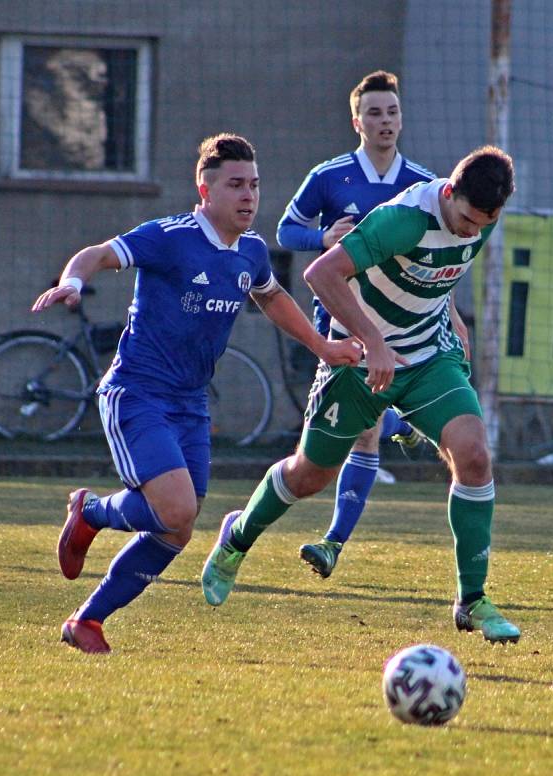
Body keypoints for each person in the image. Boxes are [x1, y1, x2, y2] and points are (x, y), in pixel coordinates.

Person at [31, 133, 360, 654]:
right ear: (204, 189)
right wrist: (73, 281)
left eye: (253, 184)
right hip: (136, 393)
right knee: (178, 509)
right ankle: (91, 513)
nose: (248, 196)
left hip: (189, 402)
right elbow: (97, 253)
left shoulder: (250, 252)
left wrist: (323, 345)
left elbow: (273, 300)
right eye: (235, 185)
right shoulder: (171, 237)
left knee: (176, 529)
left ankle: (87, 621)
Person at [202, 144, 520, 645]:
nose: (473, 230)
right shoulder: (402, 220)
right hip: (358, 358)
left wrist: (452, 316)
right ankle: (236, 538)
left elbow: (445, 266)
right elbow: (320, 274)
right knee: (310, 475)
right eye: (467, 219)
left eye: (485, 223)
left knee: (475, 457)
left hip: (427, 358)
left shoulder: (480, 214)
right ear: (450, 192)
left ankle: (472, 600)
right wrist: (372, 341)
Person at [276, 69, 469, 580]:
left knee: (363, 438)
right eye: (375, 112)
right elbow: (286, 229)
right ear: (356, 120)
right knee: (320, 457)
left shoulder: (424, 185)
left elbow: (434, 266)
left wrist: (453, 317)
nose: (385, 121)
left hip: (406, 329)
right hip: (342, 321)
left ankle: (333, 542)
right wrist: (320, 239)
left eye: (393, 112)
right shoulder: (329, 176)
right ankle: (399, 423)